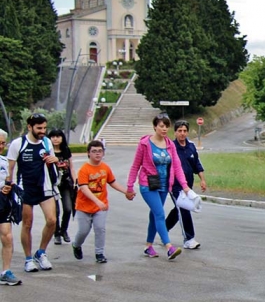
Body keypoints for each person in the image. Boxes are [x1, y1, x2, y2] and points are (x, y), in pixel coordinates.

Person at [127, 113, 192, 260]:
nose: (164, 129)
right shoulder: (145, 144)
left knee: (154, 215)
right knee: (160, 214)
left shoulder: (170, 145)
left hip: (163, 184)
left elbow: (177, 166)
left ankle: (148, 246)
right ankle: (169, 247)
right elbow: (135, 166)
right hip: (148, 183)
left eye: (166, 126)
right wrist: (130, 187)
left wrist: (185, 186)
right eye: (161, 126)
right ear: (155, 126)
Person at [6, 113, 58, 272]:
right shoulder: (18, 143)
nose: (42, 131)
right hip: (25, 188)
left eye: (44, 128)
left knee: (52, 220)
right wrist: (9, 186)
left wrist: (54, 160)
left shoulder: (47, 142)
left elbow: (53, 160)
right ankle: (28, 259)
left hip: (44, 187)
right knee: (27, 224)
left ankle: (41, 253)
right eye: (39, 128)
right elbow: (10, 168)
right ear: (30, 127)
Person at [72, 140, 134, 263]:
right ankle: (76, 245)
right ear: (88, 153)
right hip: (84, 206)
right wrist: (97, 201)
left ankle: (99, 253)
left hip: (101, 206)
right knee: (83, 231)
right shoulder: (84, 169)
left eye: (100, 151)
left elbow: (112, 182)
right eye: (94, 151)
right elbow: (84, 188)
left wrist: (126, 191)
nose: (97, 154)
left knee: (100, 228)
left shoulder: (105, 168)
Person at [165, 120, 206, 249]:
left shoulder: (191, 146)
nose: (182, 134)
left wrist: (202, 180)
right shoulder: (170, 147)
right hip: (175, 185)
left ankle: (162, 229)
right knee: (183, 208)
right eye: (179, 131)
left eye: (184, 131)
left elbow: (197, 164)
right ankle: (189, 239)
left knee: (178, 209)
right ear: (175, 132)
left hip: (188, 185)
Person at [48, 129, 77, 245]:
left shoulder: (66, 150)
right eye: (53, 136)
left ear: (62, 138)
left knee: (68, 208)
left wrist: (75, 181)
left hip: (65, 184)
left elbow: (71, 167)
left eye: (58, 136)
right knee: (55, 211)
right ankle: (57, 234)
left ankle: (64, 230)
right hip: (52, 185)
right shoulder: (47, 151)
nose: (55, 139)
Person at [0, 129, 21, 285]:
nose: (1, 146)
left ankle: (6, 272)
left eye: (2, 143)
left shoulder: (4, 161)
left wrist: (8, 187)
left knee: (7, 236)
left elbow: (7, 180)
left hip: (2, 203)